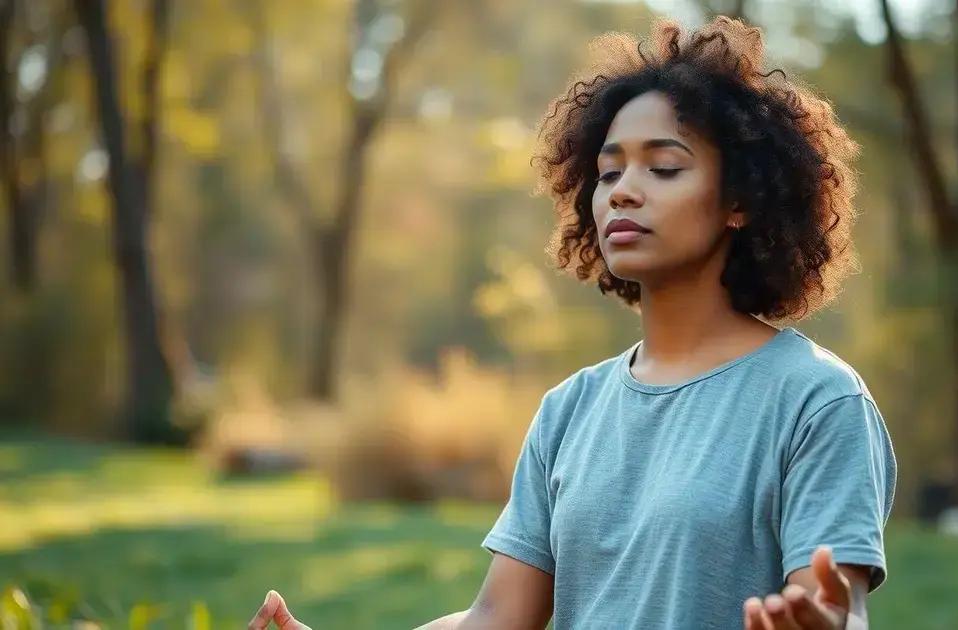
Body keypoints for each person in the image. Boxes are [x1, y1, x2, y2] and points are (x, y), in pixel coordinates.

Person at [248, 15, 896, 630]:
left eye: (663, 167)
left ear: (740, 200)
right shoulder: (570, 410)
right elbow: (496, 618)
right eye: (608, 172)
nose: (623, 190)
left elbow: (835, 608)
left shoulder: (816, 400)